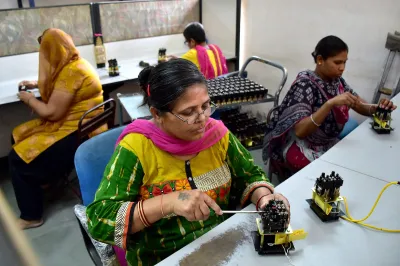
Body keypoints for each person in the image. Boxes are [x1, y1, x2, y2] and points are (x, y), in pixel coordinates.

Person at [86, 59, 290, 265]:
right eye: (188, 112)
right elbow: (100, 220)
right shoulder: (137, 148)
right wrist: (168, 202)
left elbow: (250, 175)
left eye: (206, 106)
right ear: (157, 114)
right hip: (161, 257)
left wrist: (265, 199)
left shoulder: (217, 135)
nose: (202, 118)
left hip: (222, 248)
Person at [262, 35, 397, 180]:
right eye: (337, 62)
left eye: (345, 62)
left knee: (350, 165)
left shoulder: (336, 81)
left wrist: (377, 108)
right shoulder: (304, 84)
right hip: (302, 144)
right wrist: (329, 104)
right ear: (320, 60)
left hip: (326, 141)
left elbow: (358, 104)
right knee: (331, 174)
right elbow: (300, 131)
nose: (342, 68)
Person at [9, 28, 106, 229]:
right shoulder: (74, 64)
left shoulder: (73, 71)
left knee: (17, 158)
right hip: (83, 127)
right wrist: (35, 84)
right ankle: (45, 180)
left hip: (77, 135)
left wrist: (29, 99)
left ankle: (31, 216)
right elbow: (62, 85)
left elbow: (51, 113)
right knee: (17, 134)